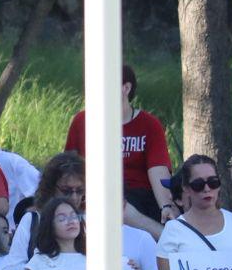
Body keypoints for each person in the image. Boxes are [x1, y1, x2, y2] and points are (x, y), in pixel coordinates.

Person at [64, 64, 174, 224]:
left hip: (140, 196)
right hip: (94, 196)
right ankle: (162, 235)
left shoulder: (149, 124)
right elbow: (68, 167)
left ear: (126, 88)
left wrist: (166, 206)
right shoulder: (82, 121)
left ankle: (162, 236)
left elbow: (157, 170)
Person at [154, 155, 232, 270]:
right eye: (198, 184)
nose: (207, 189)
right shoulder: (173, 230)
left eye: (213, 182)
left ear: (219, 185)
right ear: (186, 188)